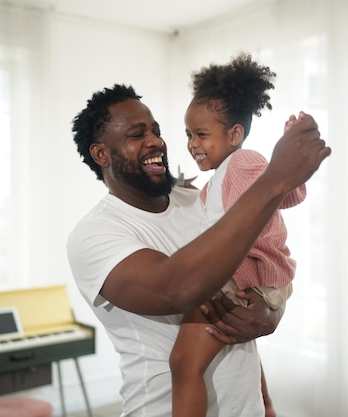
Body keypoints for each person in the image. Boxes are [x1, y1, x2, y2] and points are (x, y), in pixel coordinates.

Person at [67, 84, 330, 417]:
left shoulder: (202, 201)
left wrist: (269, 317)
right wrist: (276, 177)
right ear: (102, 154)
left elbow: (252, 276)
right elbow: (176, 290)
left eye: (156, 131)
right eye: (137, 134)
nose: (156, 141)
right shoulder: (95, 234)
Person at [169, 53, 307, 417]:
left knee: (185, 363)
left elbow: (284, 193)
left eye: (201, 134)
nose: (192, 143)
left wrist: (288, 165)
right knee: (193, 360)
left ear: (235, 134)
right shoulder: (217, 179)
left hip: (250, 279)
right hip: (247, 281)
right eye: (188, 134)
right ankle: (266, 405)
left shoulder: (242, 162)